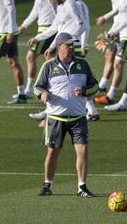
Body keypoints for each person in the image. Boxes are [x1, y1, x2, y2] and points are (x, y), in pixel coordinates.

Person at [34, 32, 98, 197]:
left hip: (78, 117)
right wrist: (43, 94)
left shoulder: (82, 64)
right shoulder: (48, 66)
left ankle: (82, 187)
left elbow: (95, 86)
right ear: (59, 47)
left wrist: (84, 90)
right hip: (56, 118)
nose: (72, 48)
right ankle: (47, 184)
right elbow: (37, 87)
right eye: (68, 45)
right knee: (53, 152)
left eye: (73, 45)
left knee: (82, 150)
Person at [27, 0, 87, 123]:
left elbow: (82, 23)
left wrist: (70, 41)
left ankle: (50, 113)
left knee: (70, 80)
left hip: (71, 48)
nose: (51, 1)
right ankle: (51, 111)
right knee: (61, 80)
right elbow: (57, 29)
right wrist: (40, 39)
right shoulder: (60, 7)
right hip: (63, 47)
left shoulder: (71, 4)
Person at [61, 0, 99, 121]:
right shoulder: (65, 5)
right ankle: (91, 110)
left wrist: (84, 45)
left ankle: (90, 110)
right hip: (66, 46)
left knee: (77, 79)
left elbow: (85, 25)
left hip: (74, 46)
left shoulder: (79, 4)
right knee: (72, 78)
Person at [16, 0, 56, 99]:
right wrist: (24, 26)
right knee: (49, 58)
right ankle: (52, 87)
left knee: (33, 57)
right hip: (45, 28)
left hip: (47, 28)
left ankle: (30, 89)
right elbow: (36, 10)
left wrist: (57, 26)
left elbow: (55, 7)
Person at [94, 0, 127, 105]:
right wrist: (112, 31)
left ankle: (111, 95)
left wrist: (107, 22)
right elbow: (121, 16)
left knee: (125, 64)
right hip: (122, 33)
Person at [95, 0, 118, 93]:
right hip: (118, 27)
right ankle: (103, 86)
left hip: (123, 29)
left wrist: (105, 18)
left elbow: (120, 9)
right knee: (111, 55)